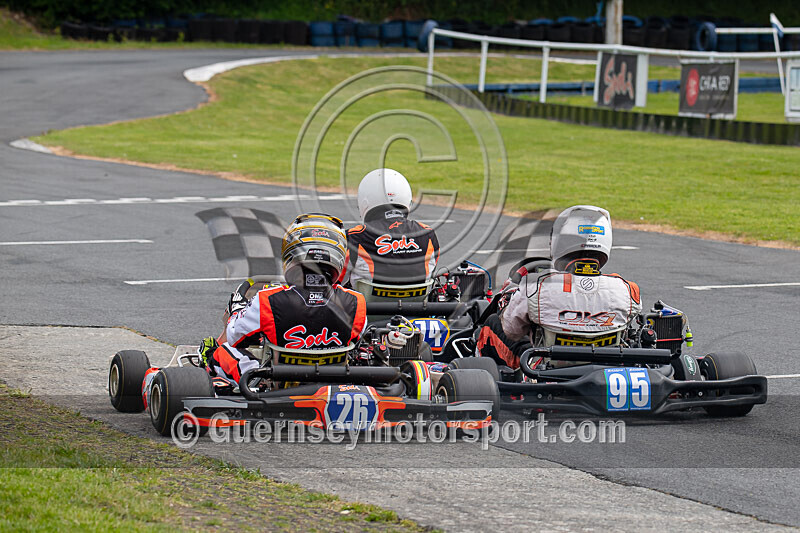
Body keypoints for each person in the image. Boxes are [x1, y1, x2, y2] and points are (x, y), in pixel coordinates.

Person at [199, 213, 367, 384]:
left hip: (278, 385)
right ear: (338, 254)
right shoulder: (356, 302)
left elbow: (234, 337)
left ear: (292, 252)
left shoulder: (268, 300)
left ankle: (251, 384)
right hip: (333, 383)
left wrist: (237, 311)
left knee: (221, 352)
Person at [477, 205, 642, 369]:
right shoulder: (628, 290)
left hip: (544, 371)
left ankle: (492, 384)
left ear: (559, 240)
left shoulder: (535, 286)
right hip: (606, 367)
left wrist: (511, 297)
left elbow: (512, 331)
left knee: (492, 324)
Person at [344, 168, 440, 290]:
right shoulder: (427, 233)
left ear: (365, 201)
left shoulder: (355, 236)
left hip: (367, 306)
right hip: (417, 305)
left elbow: (338, 279)